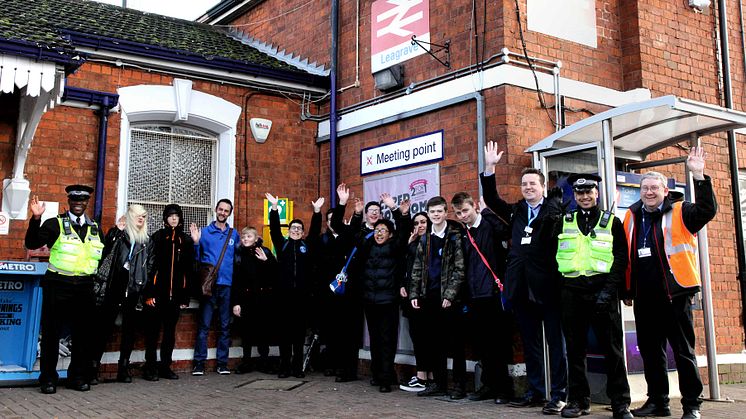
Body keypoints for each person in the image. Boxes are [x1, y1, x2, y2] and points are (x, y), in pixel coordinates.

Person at [626, 147, 716, 419]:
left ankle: (692, 405)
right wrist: (626, 290)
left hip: (674, 295)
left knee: (683, 352)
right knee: (652, 354)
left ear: (665, 191)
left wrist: (698, 175)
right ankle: (658, 403)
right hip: (644, 297)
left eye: (655, 187)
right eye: (645, 188)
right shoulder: (631, 215)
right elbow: (626, 255)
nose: (649, 192)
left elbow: (707, 210)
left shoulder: (681, 211)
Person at [480, 141, 568, 414]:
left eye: (533, 183)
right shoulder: (517, 211)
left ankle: (559, 394)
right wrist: (490, 168)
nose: (528, 187)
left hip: (549, 287)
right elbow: (493, 201)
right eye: (524, 184)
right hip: (522, 289)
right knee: (530, 345)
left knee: (556, 344)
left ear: (542, 187)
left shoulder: (555, 212)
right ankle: (536, 391)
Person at [554, 174, 632, 419]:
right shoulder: (564, 221)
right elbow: (551, 257)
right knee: (575, 351)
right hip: (572, 293)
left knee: (613, 350)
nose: (585, 197)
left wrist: (608, 291)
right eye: (580, 193)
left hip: (602, 292)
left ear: (596, 194)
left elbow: (621, 258)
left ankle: (620, 403)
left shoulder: (612, 222)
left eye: (589, 192)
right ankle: (578, 401)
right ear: (574, 196)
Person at [25, 185, 104, 394]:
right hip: (58, 284)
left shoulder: (95, 228)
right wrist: (35, 219)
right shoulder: (55, 224)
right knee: (52, 334)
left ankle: (76, 377)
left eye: (82, 201)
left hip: (85, 287)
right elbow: (31, 243)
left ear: (87, 203)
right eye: (74, 201)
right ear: (69, 202)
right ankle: (48, 379)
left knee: (82, 335)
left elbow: (99, 258)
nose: (78, 204)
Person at [342, 191, 412, 393]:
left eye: (384, 230)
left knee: (387, 340)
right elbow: (353, 237)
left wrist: (397, 210)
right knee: (374, 340)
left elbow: (405, 230)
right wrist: (356, 215)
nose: (380, 233)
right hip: (370, 302)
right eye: (377, 230)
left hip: (388, 301)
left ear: (389, 234)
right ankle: (378, 374)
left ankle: (386, 378)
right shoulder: (367, 246)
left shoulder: (395, 246)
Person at [451, 192, 515, 404]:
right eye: (459, 212)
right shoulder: (463, 233)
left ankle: (504, 390)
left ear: (474, 207)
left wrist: (487, 211)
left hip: (493, 294)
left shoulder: (487, 224)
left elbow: (507, 232)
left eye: (466, 211)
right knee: (482, 346)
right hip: (474, 296)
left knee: (497, 344)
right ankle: (488, 386)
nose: (462, 215)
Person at [408, 196, 467, 399]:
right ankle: (439, 384)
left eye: (439, 211)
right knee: (434, 343)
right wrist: (414, 293)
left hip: (449, 298)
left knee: (456, 343)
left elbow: (460, 269)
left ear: (445, 212)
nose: (435, 215)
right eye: (432, 212)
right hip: (429, 297)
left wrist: (450, 295)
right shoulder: (425, 239)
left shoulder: (455, 236)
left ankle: (459, 386)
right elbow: (417, 269)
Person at [91, 204, 154, 383]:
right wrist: (115, 232)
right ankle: (93, 366)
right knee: (104, 328)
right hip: (114, 287)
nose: (141, 219)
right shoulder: (119, 235)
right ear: (130, 217)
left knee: (129, 330)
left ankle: (123, 368)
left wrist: (144, 288)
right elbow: (104, 253)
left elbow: (149, 266)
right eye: (137, 216)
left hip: (134, 289)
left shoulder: (147, 241)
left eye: (144, 216)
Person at [266, 192, 322, 378]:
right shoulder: (282, 245)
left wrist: (316, 212)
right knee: (284, 335)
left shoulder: (308, 246)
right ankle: (284, 367)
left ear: (302, 232)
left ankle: (297, 368)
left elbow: (315, 232)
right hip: (283, 297)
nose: (296, 230)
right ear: (288, 230)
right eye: (293, 227)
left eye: (299, 228)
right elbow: (274, 230)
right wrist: (274, 208)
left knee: (298, 336)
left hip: (302, 298)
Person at [142, 204, 194, 381]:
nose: (173, 218)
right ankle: (150, 367)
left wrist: (185, 296)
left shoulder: (185, 241)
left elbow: (189, 270)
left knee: (169, 333)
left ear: (180, 219)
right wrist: (148, 294)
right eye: (170, 215)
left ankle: (165, 367)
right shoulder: (157, 237)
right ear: (165, 218)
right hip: (157, 295)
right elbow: (149, 267)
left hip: (175, 297)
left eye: (176, 216)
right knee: (152, 333)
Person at [190, 198, 240, 376]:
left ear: (230, 213)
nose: (223, 213)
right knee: (204, 325)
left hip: (227, 285)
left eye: (226, 211)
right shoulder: (205, 232)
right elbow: (196, 259)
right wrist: (196, 242)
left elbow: (238, 260)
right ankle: (199, 363)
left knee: (225, 326)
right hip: (209, 286)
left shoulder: (234, 235)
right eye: (221, 209)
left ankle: (222, 363)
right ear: (215, 210)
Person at [232, 227, 277, 374]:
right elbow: (236, 281)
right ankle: (246, 362)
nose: (245, 239)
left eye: (249, 236)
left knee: (263, 331)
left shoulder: (265, 252)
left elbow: (274, 275)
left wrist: (266, 261)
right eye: (243, 236)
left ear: (256, 238)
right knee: (247, 333)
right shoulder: (239, 255)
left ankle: (264, 362)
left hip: (263, 299)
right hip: (246, 299)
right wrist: (236, 303)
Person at [399, 211, 433, 393]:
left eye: (423, 222)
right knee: (418, 337)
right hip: (412, 298)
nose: (420, 225)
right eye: (417, 223)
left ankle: (423, 377)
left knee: (424, 338)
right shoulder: (412, 243)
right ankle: (425, 376)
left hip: (425, 299)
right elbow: (407, 270)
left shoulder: (432, 242)